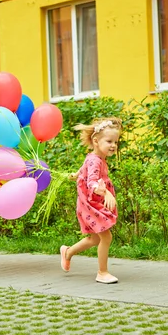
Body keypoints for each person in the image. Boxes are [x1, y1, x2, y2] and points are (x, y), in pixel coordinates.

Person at [60, 117, 122, 284]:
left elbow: (85, 169)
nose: (113, 145)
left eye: (115, 142)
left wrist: (76, 174)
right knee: (106, 237)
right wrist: (107, 193)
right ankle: (102, 272)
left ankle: (67, 253)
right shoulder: (95, 160)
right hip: (91, 204)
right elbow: (92, 182)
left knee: (94, 239)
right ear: (96, 141)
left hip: (91, 203)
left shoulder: (94, 157)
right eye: (109, 141)